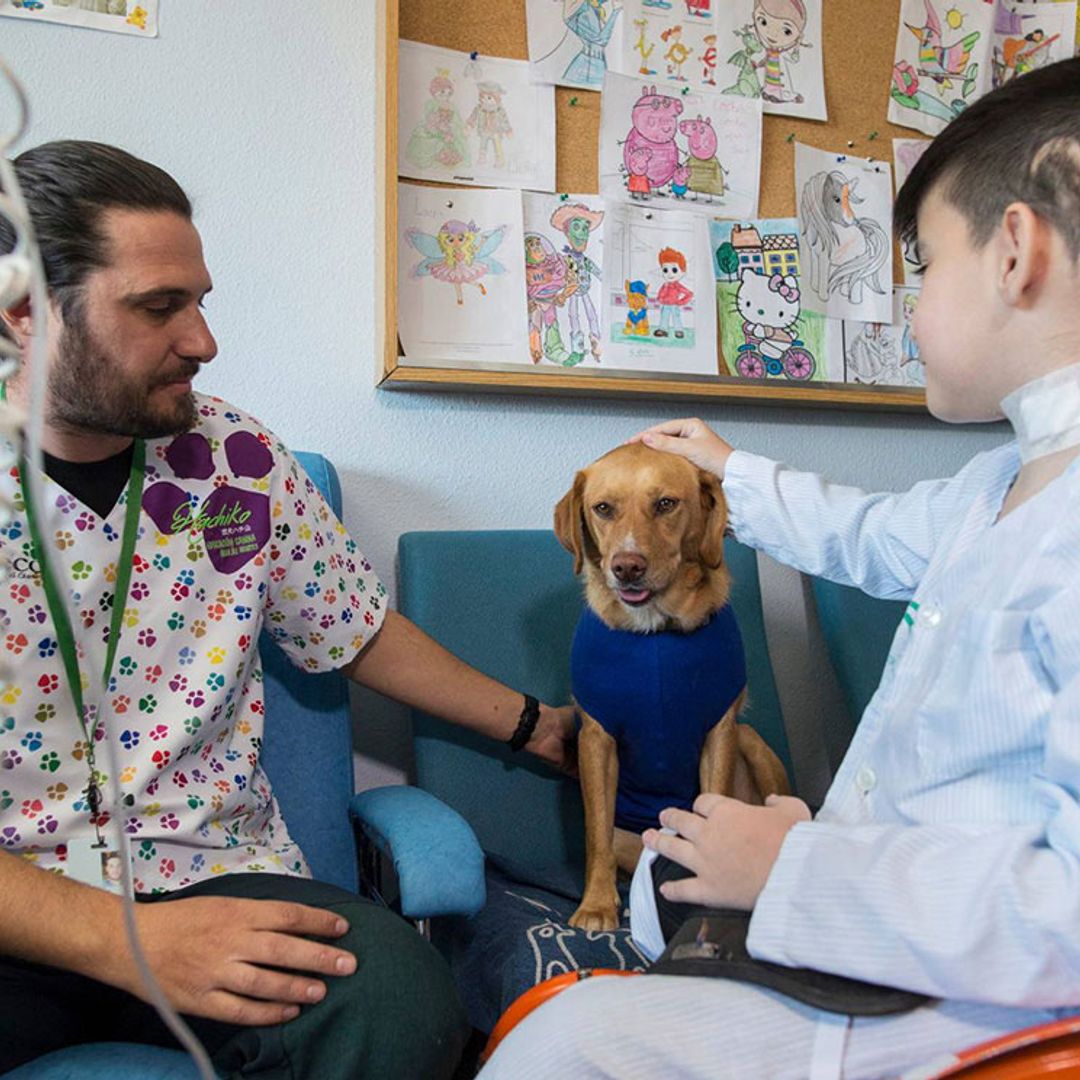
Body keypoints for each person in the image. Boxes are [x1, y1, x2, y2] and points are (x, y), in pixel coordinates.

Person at [482, 57, 1080, 1079]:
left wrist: (809, 873)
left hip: (967, 1011)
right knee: (655, 888)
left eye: (923, 265)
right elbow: (864, 533)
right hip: (885, 928)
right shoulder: (1001, 482)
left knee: (561, 1046)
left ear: (1015, 252)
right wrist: (725, 469)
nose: (908, 306)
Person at [0, 140, 576, 1079]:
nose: (203, 340)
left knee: (398, 1002)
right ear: (26, 312)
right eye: (158, 307)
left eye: (200, 301)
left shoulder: (235, 460)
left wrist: (534, 724)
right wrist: (130, 942)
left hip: (211, 872)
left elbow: (356, 629)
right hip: (20, 906)